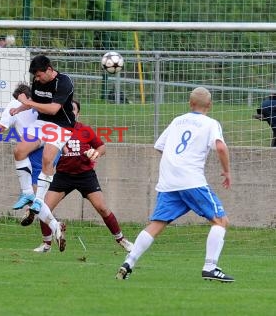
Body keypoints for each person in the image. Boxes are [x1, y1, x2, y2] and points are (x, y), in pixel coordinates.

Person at [116, 87, 234, 283]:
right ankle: (210, 267)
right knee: (221, 221)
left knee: (156, 224)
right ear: (210, 105)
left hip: (169, 180)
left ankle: (129, 262)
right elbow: (220, 146)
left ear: (190, 103)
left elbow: (159, 146)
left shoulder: (177, 120)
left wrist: (176, 164)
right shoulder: (210, 123)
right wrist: (227, 171)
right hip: (191, 179)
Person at [21, 100, 133, 253]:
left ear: (78, 113)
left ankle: (122, 240)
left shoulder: (85, 130)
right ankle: (46, 245)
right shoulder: (55, 130)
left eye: (73, 109)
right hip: (62, 175)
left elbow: (101, 146)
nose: (70, 112)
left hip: (85, 175)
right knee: (43, 206)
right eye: (67, 109)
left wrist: (96, 153)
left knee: (102, 208)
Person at [10, 55, 75, 232]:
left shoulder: (64, 82)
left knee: (47, 158)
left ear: (49, 69)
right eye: (35, 77)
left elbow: (54, 109)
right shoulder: (38, 81)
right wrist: (20, 108)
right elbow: (37, 103)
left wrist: (26, 102)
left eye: (39, 75)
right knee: (19, 151)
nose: (36, 79)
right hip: (41, 124)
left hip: (61, 126)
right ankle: (27, 194)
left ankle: (38, 201)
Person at [0, 83, 44, 198]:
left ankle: (42, 213)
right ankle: (33, 212)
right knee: (43, 181)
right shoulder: (39, 102)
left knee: (33, 184)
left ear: (20, 96)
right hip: (51, 145)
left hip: (31, 147)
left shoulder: (15, 104)